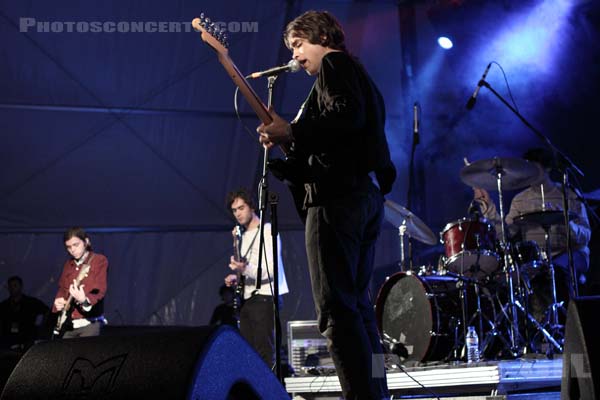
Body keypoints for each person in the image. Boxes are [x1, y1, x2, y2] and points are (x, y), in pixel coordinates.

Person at [256, 10, 396, 400]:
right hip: (364, 197)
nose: (296, 56)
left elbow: (344, 116)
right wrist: (289, 149)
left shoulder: (334, 64)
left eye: (298, 44)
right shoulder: (358, 74)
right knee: (359, 309)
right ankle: (376, 389)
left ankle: (361, 396)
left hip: (336, 201)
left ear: (319, 36)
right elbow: (347, 132)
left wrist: (293, 130)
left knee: (336, 311)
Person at [473, 148, 591, 322]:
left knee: (555, 271)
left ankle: (569, 325)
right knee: (521, 277)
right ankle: (540, 328)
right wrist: (488, 208)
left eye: (534, 168)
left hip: (571, 253)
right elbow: (506, 235)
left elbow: (586, 236)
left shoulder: (569, 195)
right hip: (539, 258)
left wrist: (566, 221)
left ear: (547, 168)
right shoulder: (520, 200)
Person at [223, 188, 289, 368]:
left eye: (241, 208)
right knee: (248, 353)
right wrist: (236, 276)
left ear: (251, 206)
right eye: (234, 210)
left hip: (265, 297)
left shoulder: (267, 231)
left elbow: (270, 270)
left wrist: (244, 268)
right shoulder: (242, 236)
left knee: (264, 352)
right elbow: (247, 270)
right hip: (247, 299)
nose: (238, 213)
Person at [52, 227, 108, 338]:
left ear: (86, 242)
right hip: (68, 324)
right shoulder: (68, 264)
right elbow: (62, 289)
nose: (72, 250)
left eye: (76, 245)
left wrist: (84, 300)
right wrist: (58, 302)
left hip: (89, 324)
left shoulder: (98, 260)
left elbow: (100, 290)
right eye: (68, 247)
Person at [0, 276, 49, 351]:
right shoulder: (4, 305)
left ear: (21, 286)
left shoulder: (31, 302)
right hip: (9, 342)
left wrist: (42, 327)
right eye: (10, 286)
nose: (12, 288)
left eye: (15, 285)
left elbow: (47, 311)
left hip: (28, 340)